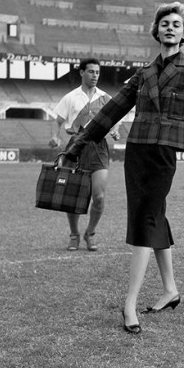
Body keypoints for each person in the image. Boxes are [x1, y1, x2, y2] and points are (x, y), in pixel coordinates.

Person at [65, 2, 184, 334]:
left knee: (145, 220)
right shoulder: (143, 73)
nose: (169, 27)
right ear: (157, 31)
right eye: (164, 23)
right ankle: (170, 290)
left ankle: (129, 304)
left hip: (163, 155)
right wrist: (79, 142)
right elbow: (111, 112)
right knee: (155, 217)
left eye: (176, 24)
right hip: (137, 151)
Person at [48, 58, 124, 252]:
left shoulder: (105, 97)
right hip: (76, 147)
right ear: (81, 72)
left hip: (99, 148)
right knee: (72, 196)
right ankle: (74, 234)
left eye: (97, 72)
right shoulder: (70, 97)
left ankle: (90, 233)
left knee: (98, 197)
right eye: (91, 72)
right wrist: (55, 137)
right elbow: (58, 121)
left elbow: (117, 119)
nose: (95, 76)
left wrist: (115, 130)